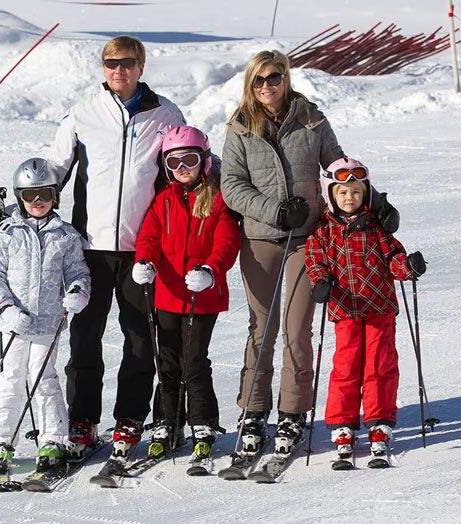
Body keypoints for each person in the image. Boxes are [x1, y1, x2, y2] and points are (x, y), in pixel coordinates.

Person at [220, 50, 399, 457]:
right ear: (250, 83)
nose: (267, 85)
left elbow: (338, 166)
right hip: (261, 236)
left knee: (296, 326)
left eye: (274, 77)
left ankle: (293, 410)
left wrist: (373, 201)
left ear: (286, 78)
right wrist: (275, 211)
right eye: (259, 79)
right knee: (261, 326)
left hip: (308, 239)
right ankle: (254, 409)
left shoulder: (311, 118)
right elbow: (231, 185)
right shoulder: (240, 127)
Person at [45, 35, 185, 458]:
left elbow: (187, 162)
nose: (118, 70)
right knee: (85, 338)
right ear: (102, 68)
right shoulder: (83, 112)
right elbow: (56, 165)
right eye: (110, 63)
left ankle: (130, 418)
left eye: (126, 62)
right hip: (88, 247)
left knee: (140, 338)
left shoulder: (165, 114)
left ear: (141, 66)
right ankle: (83, 420)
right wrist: (28, 194)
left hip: (143, 250)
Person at [304, 157, 427, 463]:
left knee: (380, 365)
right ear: (331, 194)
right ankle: (342, 424)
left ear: (366, 193)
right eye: (343, 192)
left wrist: (408, 267)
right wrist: (321, 282)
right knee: (345, 367)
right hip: (345, 309)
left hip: (379, 308)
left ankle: (379, 422)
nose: (350, 198)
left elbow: (393, 258)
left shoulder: (377, 226)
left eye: (356, 192)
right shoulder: (323, 230)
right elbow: (315, 260)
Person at [132, 125, 241, 461]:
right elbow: (149, 237)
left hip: (201, 295)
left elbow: (227, 242)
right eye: (174, 163)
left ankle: (202, 421)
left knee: (193, 361)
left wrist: (211, 270)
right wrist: (144, 261)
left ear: (204, 161)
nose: (182, 169)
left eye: (189, 160)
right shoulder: (163, 201)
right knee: (167, 361)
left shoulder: (217, 199)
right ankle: (166, 420)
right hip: (166, 292)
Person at [0, 158, 91, 474]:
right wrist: (6, 309)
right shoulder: (8, 232)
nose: (38, 201)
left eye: (44, 194)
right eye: (30, 196)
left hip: (48, 321)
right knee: (12, 378)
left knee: (44, 378)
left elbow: (77, 271)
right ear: (19, 198)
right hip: (14, 322)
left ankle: (53, 440)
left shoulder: (65, 235)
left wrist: (78, 291)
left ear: (55, 195)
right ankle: (0, 441)